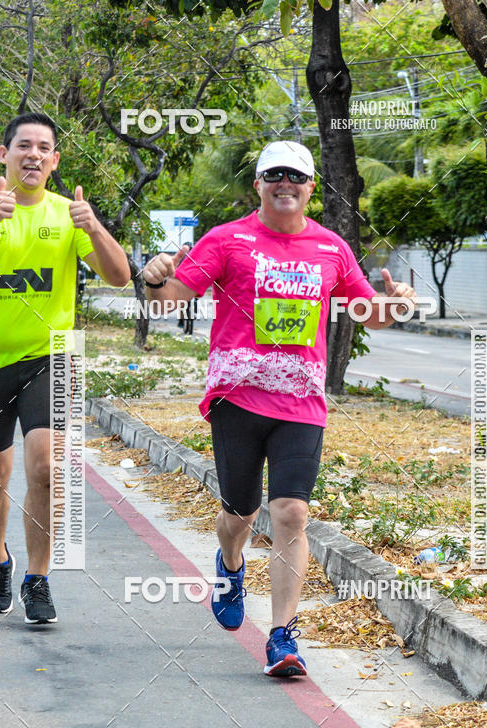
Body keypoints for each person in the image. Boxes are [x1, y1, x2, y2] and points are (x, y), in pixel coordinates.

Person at [144, 140, 415, 677]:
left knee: (291, 512)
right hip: (237, 398)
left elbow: (368, 313)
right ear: (259, 185)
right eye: (274, 175)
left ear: (312, 187)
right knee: (240, 513)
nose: (285, 183)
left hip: (302, 401)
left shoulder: (331, 248)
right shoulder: (228, 239)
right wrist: (153, 276)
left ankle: (283, 637)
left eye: (296, 175)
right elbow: (167, 301)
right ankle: (230, 565)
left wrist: (396, 305)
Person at [0, 112, 130, 625]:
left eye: (45, 148)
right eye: (24, 145)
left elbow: (117, 276)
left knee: (47, 467)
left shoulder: (70, 214)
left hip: (54, 357)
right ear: (4, 154)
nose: (34, 155)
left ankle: (37, 578)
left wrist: (96, 227)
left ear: (54, 161)